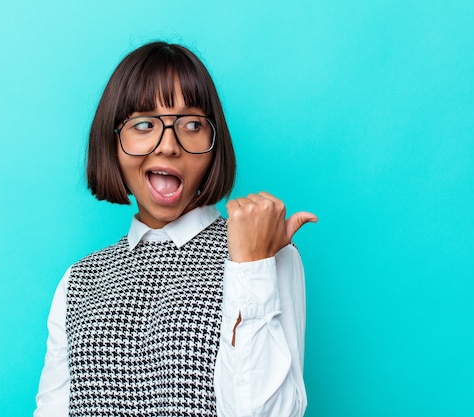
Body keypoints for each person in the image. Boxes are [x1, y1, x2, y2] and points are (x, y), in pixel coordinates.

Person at [34, 41, 317, 417]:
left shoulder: (264, 254)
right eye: (145, 124)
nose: (168, 146)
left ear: (214, 146)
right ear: (113, 141)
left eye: (193, 125)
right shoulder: (79, 281)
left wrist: (251, 267)